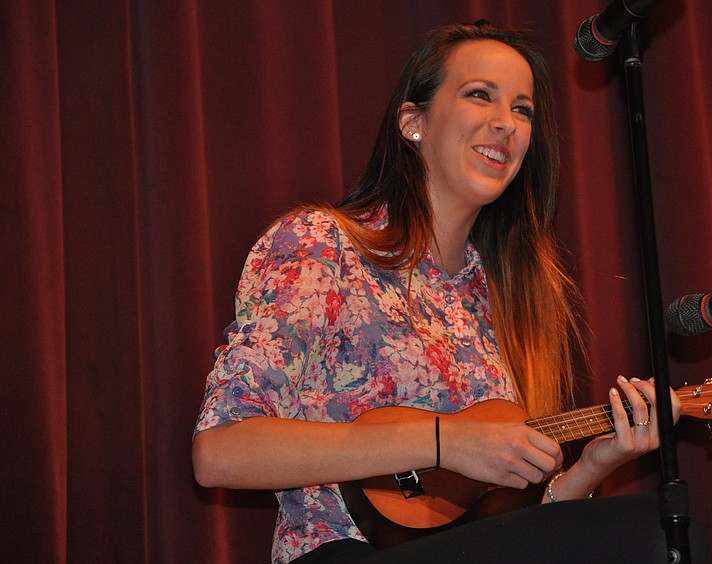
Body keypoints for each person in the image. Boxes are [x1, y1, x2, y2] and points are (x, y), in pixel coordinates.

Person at [192, 21, 686, 564]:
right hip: (343, 551)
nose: (506, 124)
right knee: (647, 535)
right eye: (481, 96)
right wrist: (445, 440)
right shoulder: (322, 243)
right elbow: (220, 452)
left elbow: (500, 522)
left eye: (523, 110)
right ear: (413, 122)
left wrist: (594, 464)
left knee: (658, 531)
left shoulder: (497, 295)